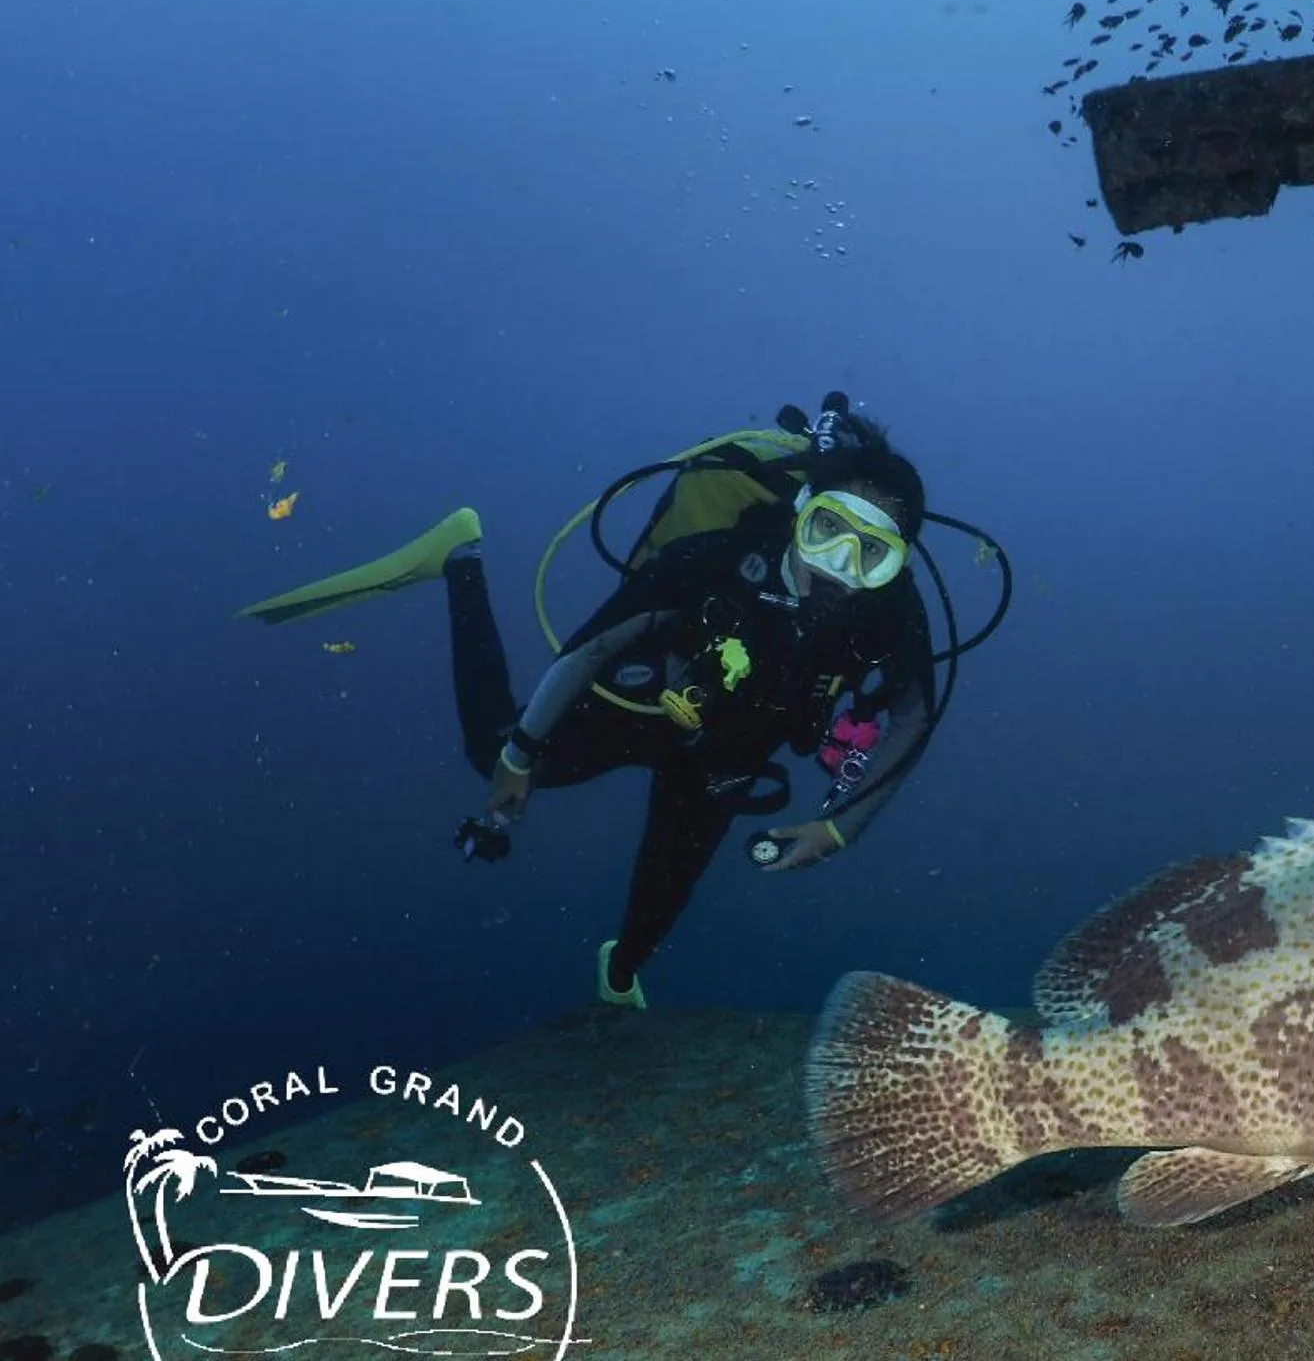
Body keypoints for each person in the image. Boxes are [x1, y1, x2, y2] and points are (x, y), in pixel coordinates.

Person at [238, 398, 981, 1008]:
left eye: (871, 553)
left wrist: (839, 828)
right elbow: (591, 648)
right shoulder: (717, 561)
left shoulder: (893, 614)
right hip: (648, 708)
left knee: (652, 919)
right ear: (800, 514)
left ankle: (620, 980)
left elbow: (913, 714)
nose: (839, 570)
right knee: (486, 747)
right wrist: (520, 754)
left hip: (726, 760)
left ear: (899, 563)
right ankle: (459, 560)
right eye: (827, 531)